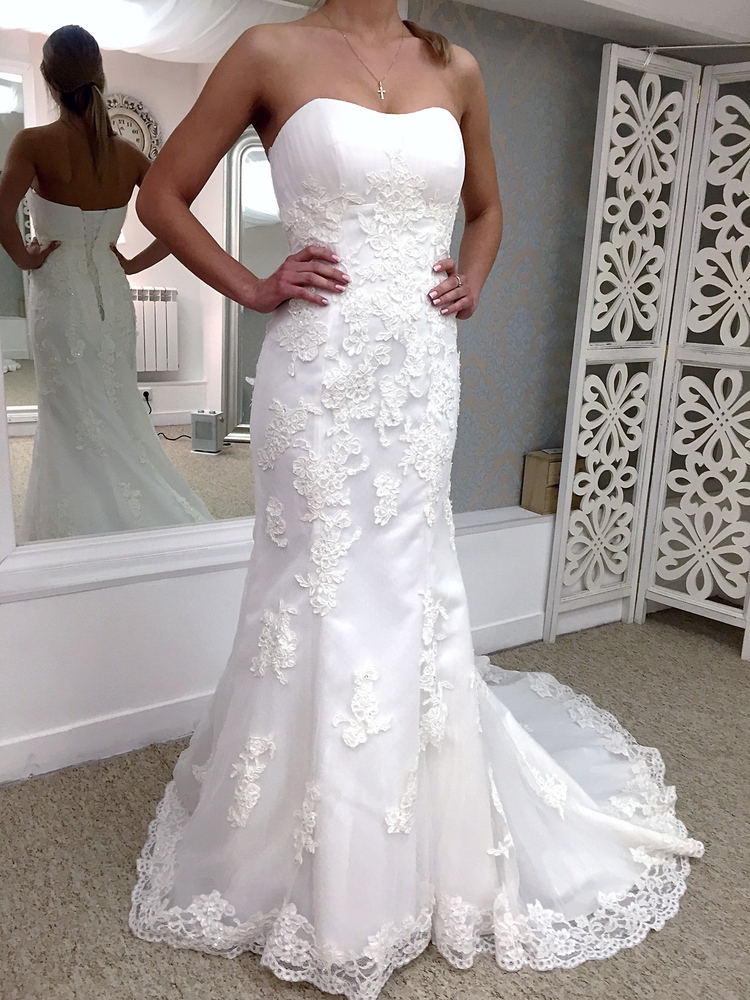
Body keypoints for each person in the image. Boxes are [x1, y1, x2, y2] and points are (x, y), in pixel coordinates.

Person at [128, 2, 704, 996]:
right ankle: (313, 862)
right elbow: (161, 196)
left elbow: (488, 209)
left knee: (408, 588)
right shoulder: (268, 49)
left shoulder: (458, 68)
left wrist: (471, 279)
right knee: (316, 594)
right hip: (317, 372)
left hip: (421, 374)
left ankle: (415, 844)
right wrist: (252, 286)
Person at [0, 24, 212, 541]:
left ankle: (80, 529)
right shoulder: (129, 157)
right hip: (112, 300)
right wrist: (133, 265)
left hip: (58, 297)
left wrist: (26, 260)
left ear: (48, 80)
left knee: (68, 412)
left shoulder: (33, 143)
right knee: (115, 404)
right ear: (100, 76)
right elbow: (180, 221)